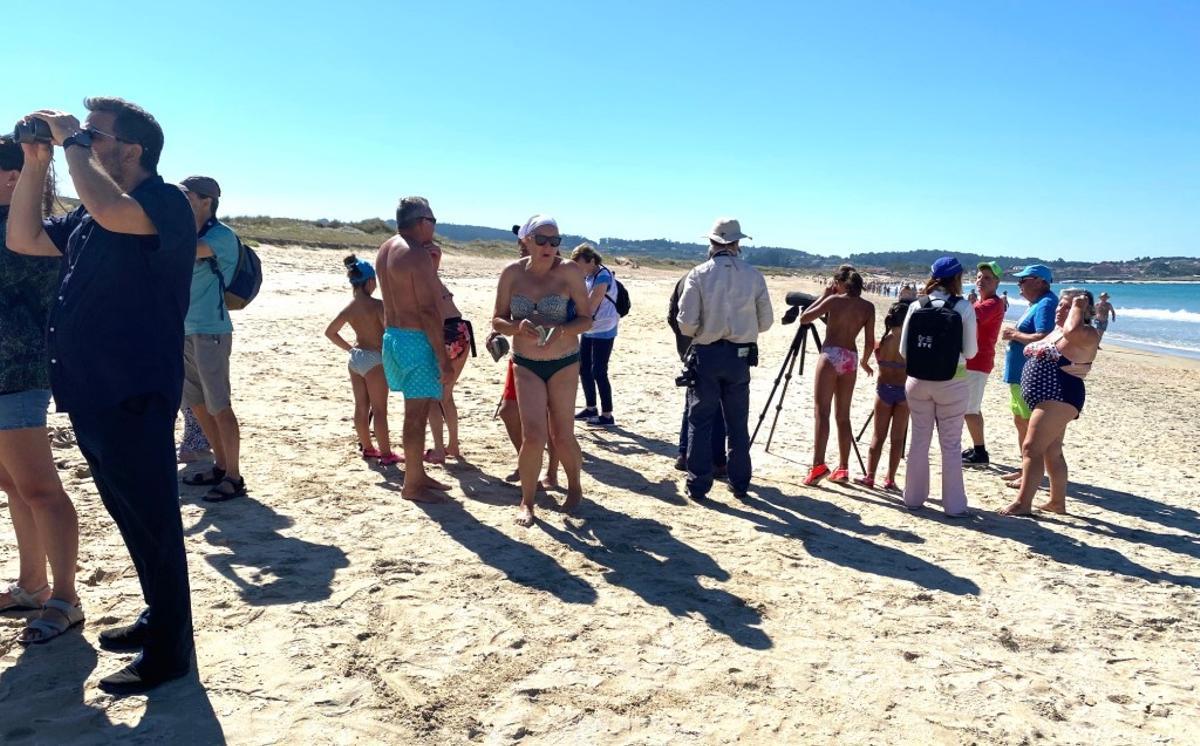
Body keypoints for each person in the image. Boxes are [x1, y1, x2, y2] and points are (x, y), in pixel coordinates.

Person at [7, 98, 195, 692]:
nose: (83, 140)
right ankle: (157, 616)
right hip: (91, 391)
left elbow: (114, 210)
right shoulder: (90, 216)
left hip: (133, 389)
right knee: (130, 515)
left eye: (96, 134)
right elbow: (24, 238)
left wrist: (72, 146)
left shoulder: (163, 203)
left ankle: (170, 651)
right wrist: (39, 161)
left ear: (132, 149)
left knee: (155, 519)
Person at [0, 137, 83, 645]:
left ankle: (65, 598)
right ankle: (32, 584)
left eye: (15, 168)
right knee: (12, 487)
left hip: (19, 370)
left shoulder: (33, 229)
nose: (10, 176)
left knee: (39, 489)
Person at [491, 215, 592, 525]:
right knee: (533, 436)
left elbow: (586, 319)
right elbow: (496, 320)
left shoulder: (569, 272)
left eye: (555, 241)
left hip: (563, 362)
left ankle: (574, 488)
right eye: (543, 240)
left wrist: (561, 330)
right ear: (528, 241)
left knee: (562, 435)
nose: (550, 246)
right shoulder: (511, 274)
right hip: (526, 363)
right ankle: (527, 501)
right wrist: (516, 327)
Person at [676, 217, 773, 500]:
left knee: (701, 420)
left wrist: (704, 329)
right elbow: (765, 322)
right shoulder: (753, 275)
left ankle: (698, 483)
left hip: (707, 352)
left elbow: (686, 323)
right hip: (740, 355)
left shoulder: (699, 274)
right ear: (736, 244)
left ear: (712, 243)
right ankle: (739, 482)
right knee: (737, 421)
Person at [375, 196, 453, 503]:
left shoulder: (386, 248)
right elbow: (427, 310)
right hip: (415, 340)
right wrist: (443, 357)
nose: (434, 226)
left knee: (413, 412)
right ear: (421, 223)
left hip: (392, 336)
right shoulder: (416, 253)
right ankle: (412, 484)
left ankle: (417, 474)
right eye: (432, 220)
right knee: (416, 415)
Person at [176, 176, 246, 502]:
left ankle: (234, 476)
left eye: (186, 196)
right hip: (185, 330)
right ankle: (219, 465)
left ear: (207, 201)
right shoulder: (191, 233)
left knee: (220, 406)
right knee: (197, 404)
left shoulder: (221, 236)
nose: (182, 200)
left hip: (211, 332)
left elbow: (183, 251)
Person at [1001, 290, 1099, 516]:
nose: (1059, 309)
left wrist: (1078, 306)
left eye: (1067, 306)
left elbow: (1072, 330)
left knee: (1031, 448)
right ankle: (1057, 502)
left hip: (1059, 395)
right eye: (1060, 305)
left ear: (1083, 310)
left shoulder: (1086, 333)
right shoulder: (1056, 331)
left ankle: (1022, 503)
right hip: (1046, 396)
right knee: (1051, 451)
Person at [898, 257, 978, 517]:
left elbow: (903, 350)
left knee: (919, 439)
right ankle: (954, 506)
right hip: (952, 381)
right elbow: (971, 351)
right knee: (951, 445)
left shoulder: (917, 305)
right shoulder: (963, 307)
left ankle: (913, 497)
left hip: (918, 381)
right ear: (957, 278)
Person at [798, 265, 876, 485]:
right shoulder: (868, 307)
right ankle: (843, 467)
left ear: (841, 284)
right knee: (843, 415)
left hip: (831, 353)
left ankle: (818, 465)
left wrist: (824, 296)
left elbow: (805, 318)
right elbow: (870, 341)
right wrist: (864, 361)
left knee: (822, 412)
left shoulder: (834, 300)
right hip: (851, 357)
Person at [324, 255, 397, 464]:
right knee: (380, 409)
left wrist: (349, 349)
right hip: (375, 359)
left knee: (361, 407)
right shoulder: (377, 305)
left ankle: (367, 448)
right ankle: (386, 453)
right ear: (370, 282)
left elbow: (330, 332)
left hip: (356, 359)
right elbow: (388, 332)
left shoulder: (349, 307)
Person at [1000, 265, 1058, 486]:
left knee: (1029, 424)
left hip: (1029, 374)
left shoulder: (1046, 303)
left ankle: (1031, 471)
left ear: (1040, 281)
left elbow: (1044, 337)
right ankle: (1025, 466)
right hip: (1018, 373)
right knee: (1020, 421)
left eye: (1023, 280)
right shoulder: (1036, 304)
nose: (1019, 285)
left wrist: (1014, 334)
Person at [668, 269, 726, 476]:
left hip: (692, 350)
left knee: (691, 404)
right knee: (718, 407)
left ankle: (684, 454)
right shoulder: (725, 277)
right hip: (715, 351)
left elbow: (673, 317)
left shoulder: (688, 277)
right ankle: (717, 461)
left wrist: (686, 347)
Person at [423, 240, 471, 464]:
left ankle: (440, 449)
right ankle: (453, 444)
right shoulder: (435, 279)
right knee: (446, 395)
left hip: (444, 334)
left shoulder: (421, 281)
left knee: (433, 397)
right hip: (461, 331)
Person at [854, 302, 910, 491]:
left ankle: (870, 476)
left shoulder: (881, 344)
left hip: (884, 389)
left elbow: (866, 355)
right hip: (904, 393)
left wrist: (865, 364)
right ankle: (890, 479)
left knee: (878, 436)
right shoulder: (909, 346)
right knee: (897, 439)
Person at [962, 261, 1007, 466]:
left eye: (987, 278)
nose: (981, 281)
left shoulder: (993, 303)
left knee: (970, 409)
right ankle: (977, 448)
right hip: (972, 361)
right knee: (971, 407)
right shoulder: (981, 302)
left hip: (978, 362)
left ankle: (980, 452)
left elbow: (970, 318)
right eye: (979, 277)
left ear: (997, 282)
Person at [570, 243, 619, 426]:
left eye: (579, 264)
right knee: (584, 369)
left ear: (591, 261)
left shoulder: (603, 276)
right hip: (590, 328)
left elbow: (590, 306)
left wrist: (570, 320)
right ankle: (591, 408)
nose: (577, 269)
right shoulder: (588, 275)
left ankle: (607, 415)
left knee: (599, 371)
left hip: (604, 329)